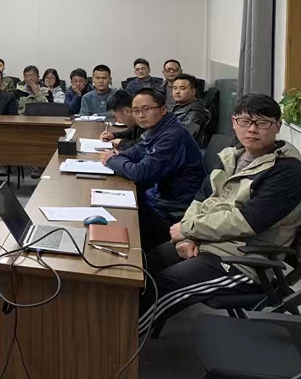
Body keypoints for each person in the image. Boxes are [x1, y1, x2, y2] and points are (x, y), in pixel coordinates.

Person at [138, 94, 301, 336]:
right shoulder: (232, 156)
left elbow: (247, 221)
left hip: (243, 261)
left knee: (163, 285)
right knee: (143, 265)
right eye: (245, 121)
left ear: (277, 126)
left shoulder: (287, 171)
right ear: (234, 123)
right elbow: (202, 198)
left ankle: (123, 340)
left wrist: (188, 230)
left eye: (262, 123)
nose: (252, 129)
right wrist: (187, 236)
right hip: (207, 241)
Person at [101, 89, 206, 251]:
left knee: (117, 217)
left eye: (146, 109)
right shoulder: (159, 128)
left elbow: (141, 174)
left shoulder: (172, 136)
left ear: (163, 109)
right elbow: (137, 151)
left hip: (173, 211)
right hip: (159, 199)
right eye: (136, 111)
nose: (140, 115)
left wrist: (112, 160)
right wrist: (117, 157)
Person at [171, 74, 211, 146]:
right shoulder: (179, 106)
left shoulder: (196, 114)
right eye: (175, 88)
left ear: (193, 91)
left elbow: (183, 139)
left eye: (182, 88)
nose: (177, 92)